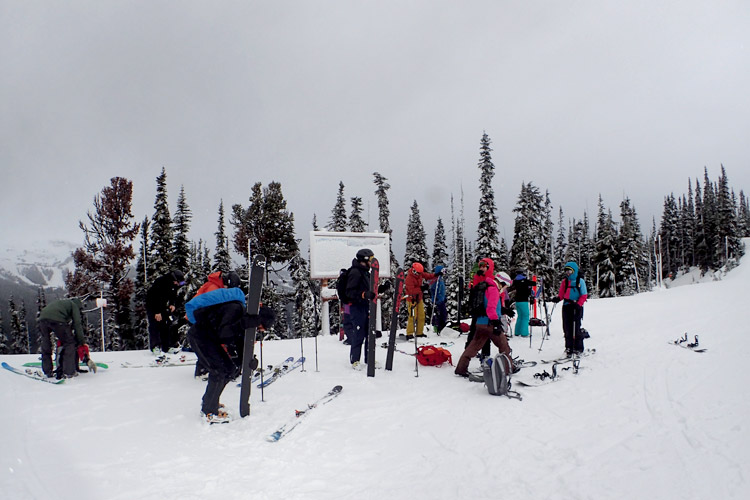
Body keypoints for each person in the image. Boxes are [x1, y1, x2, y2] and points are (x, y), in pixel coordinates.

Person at [185, 283, 275, 423]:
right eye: (262, 326)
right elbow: (225, 335)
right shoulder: (235, 309)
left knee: (230, 370)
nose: (260, 330)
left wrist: (248, 360)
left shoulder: (245, 321)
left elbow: (238, 344)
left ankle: (211, 402)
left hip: (210, 339)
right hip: (200, 337)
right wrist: (242, 325)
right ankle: (209, 410)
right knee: (219, 371)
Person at [455, 258, 515, 377]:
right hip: (490, 324)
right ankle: (509, 368)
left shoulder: (485, 287)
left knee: (472, 348)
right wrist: (496, 322)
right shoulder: (493, 289)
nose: (505, 289)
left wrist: (503, 310)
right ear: (502, 283)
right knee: (504, 346)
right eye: (506, 286)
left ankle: (461, 369)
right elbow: (491, 308)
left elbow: (488, 305)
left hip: (480, 323)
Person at [38, 297, 87, 379]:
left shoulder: (63, 304)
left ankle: (47, 371)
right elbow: (77, 324)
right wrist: (82, 341)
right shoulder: (74, 305)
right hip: (57, 320)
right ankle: (68, 372)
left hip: (42, 319)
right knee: (70, 343)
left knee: (46, 344)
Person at [345, 248, 377, 369]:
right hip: (357, 307)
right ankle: (355, 360)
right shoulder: (355, 272)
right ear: (365, 259)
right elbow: (350, 292)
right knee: (358, 333)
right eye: (371, 259)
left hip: (365, 306)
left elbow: (370, 290)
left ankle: (369, 359)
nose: (372, 262)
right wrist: (363, 295)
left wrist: (381, 289)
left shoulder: (365, 272)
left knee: (369, 333)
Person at [553, 261, 588, 355]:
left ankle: (578, 347)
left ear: (574, 271)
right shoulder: (565, 282)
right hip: (566, 306)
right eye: (566, 271)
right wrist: (557, 299)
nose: (568, 273)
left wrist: (579, 304)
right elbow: (561, 294)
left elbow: (584, 295)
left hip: (576, 306)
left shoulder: (579, 281)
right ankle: (569, 347)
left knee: (576, 327)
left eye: (570, 271)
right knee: (567, 328)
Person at [146, 270, 185, 354]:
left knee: (166, 324)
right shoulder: (160, 282)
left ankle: (166, 346)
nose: (178, 285)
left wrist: (172, 304)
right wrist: (157, 312)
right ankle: (155, 346)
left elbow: (173, 295)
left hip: (163, 305)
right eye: (178, 283)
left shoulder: (174, 285)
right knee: (155, 325)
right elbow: (154, 297)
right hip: (153, 305)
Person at [404, 262, 436, 339]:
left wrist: (435, 275)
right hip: (411, 299)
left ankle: (419, 332)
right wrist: (421, 288)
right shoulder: (409, 278)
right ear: (414, 271)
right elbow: (411, 290)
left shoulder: (420, 274)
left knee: (421, 315)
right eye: (418, 273)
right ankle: (409, 333)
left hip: (419, 298)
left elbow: (427, 275)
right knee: (413, 316)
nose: (419, 274)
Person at [508, 270, 536, 337]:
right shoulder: (525, 281)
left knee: (520, 317)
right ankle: (524, 333)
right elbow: (534, 283)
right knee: (525, 317)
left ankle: (517, 332)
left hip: (517, 301)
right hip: (524, 301)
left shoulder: (516, 281)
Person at [429, 265, 447, 334]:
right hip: (437, 301)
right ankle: (438, 327)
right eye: (443, 271)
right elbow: (433, 290)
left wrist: (444, 298)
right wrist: (434, 298)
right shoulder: (435, 280)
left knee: (444, 314)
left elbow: (442, 291)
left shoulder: (441, 280)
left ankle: (442, 326)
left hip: (441, 300)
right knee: (438, 314)